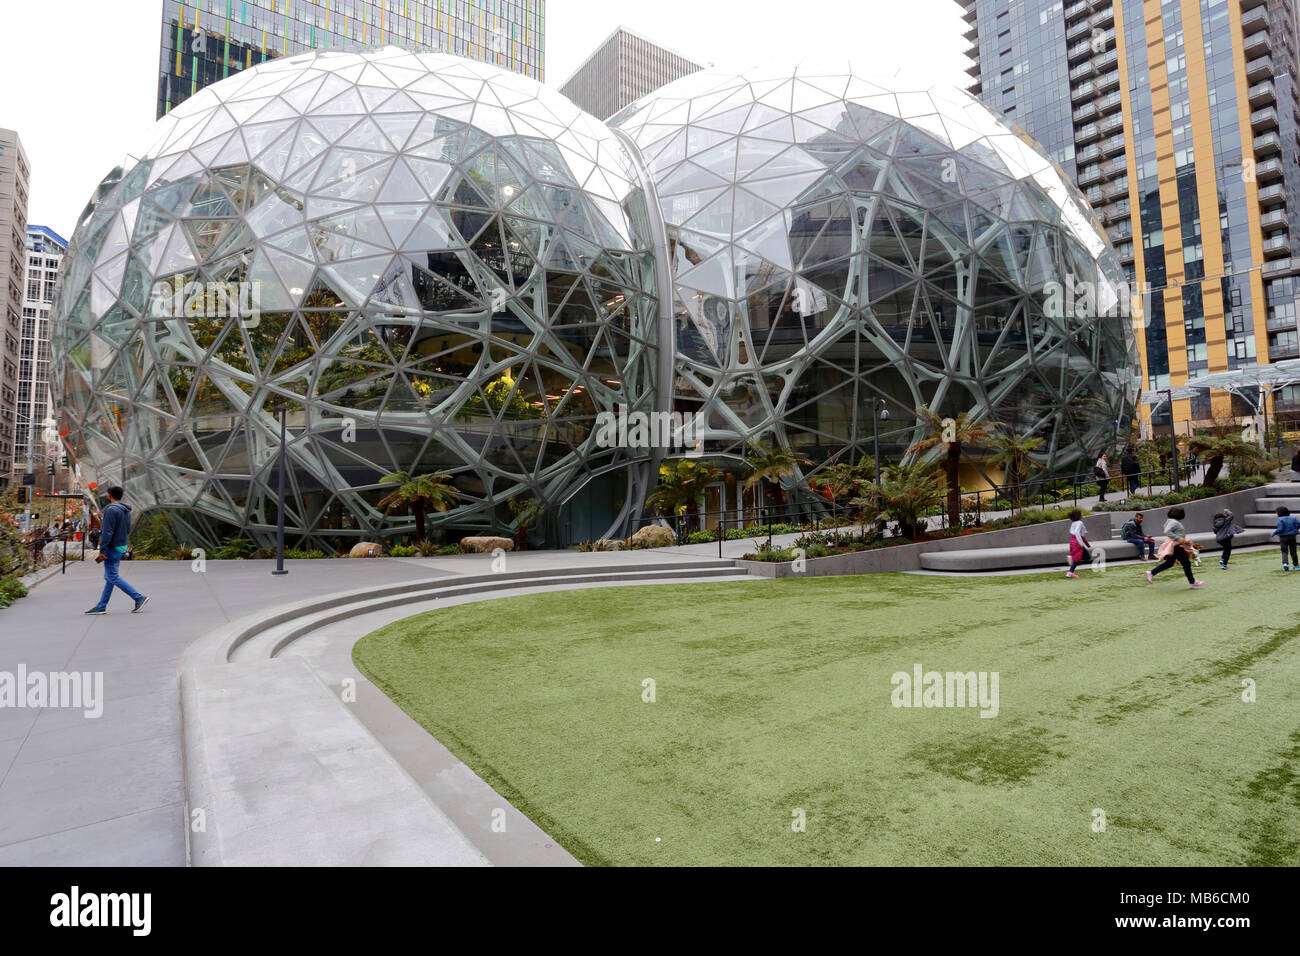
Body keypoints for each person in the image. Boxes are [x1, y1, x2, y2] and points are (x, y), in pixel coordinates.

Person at [84, 486, 148, 615]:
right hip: (121, 545)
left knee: (111, 576)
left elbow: (107, 532)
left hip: (113, 547)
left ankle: (138, 597)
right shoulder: (126, 510)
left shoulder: (111, 510)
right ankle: (101, 605)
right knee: (110, 577)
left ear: (109, 495)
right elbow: (127, 529)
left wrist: (102, 550)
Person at [1146, 506, 1203, 589]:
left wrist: (1184, 541)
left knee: (1170, 563)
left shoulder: (1170, 521)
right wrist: (1180, 539)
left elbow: (1171, 532)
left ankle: (1151, 573)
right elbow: (1167, 531)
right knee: (1186, 563)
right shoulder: (1174, 522)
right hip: (1176, 546)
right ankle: (1192, 582)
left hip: (1175, 545)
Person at [1066, 508, 1091, 578]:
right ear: (1079, 515)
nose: (1082, 514)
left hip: (1072, 540)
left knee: (1079, 557)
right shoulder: (1080, 522)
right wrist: (1081, 543)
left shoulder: (1074, 523)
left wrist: (1084, 532)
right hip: (1077, 542)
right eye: (1081, 513)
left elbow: (1072, 531)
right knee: (1087, 557)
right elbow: (1077, 532)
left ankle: (1070, 572)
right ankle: (1072, 560)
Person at [1275, 505, 1300, 571]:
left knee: (1284, 551)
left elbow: (1280, 528)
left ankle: (1285, 563)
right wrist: (1295, 528)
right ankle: (1296, 566)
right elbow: (1299, 524)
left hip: (1283, 537)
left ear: (1279, 513)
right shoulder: (1293, 518)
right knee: (1293, 551)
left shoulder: (1279, 519)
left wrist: (1274, 533)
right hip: (1292, 536)